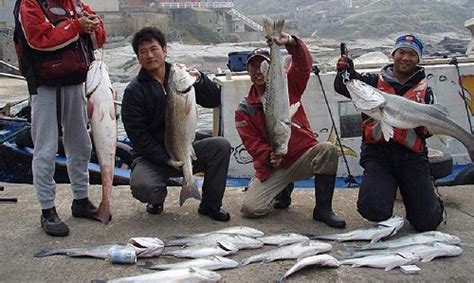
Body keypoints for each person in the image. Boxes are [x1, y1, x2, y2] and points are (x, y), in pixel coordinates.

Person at [13, 0, 106, 236]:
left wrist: (93, 25)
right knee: (46, 148)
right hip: (45, 86)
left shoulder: (76, 3)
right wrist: (77, 27)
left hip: (77, 83)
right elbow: (38, 38)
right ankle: (47, 209)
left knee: (81, 145)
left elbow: (99, 36)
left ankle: (81, 199)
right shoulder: (30, 2)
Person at [234, 32, 346, 228]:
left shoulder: (289, 85)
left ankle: (323, 209)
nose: (258, 71)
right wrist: (270, 156)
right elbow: (252, 144)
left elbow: (303, 65)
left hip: (302, 157)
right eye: (253, 66)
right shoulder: (244, 110)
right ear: (248, 71)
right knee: (251, 209)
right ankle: (282, 189)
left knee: (328, 149)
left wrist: (291, 43)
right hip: (274, 165)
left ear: (270, 68)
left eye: (262, 65)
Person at [334, 34, 444, 232]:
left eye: (412, 54)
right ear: (393, 54)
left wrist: (426, 129)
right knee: (373, 209)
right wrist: (345, 70)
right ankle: (387, 196)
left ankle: (428, 201)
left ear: (418, 59)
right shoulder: (372, 81)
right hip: (378, 156)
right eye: (401, 52)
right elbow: (346, 86)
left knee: (427, 223)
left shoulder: (425, 91)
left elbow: (427, 133)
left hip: (412, 157)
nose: (405, 58)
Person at [121, 27, 231, 222]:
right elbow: (138, 136)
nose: (149, 55)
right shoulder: (134, 92)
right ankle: (156, 199)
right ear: (138, 57)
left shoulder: (181, 77)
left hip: (185, 146)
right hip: (154, 158)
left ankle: (210, 205)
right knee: (143, 186)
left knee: (220, 146)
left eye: (154, 49)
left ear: (165, 50)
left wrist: (201, 80)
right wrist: (166, 159)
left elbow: (214, 100)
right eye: (143, 51)